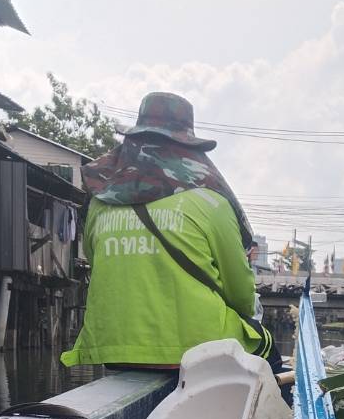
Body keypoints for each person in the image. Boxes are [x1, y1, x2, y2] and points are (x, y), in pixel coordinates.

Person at [63, 92, 275, 370]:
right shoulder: (211, 202)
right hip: (200, 349)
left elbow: (99, 264)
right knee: (268, 350)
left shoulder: (99, 204)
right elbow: (242, 295)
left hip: (113, 350)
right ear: (186, 151)